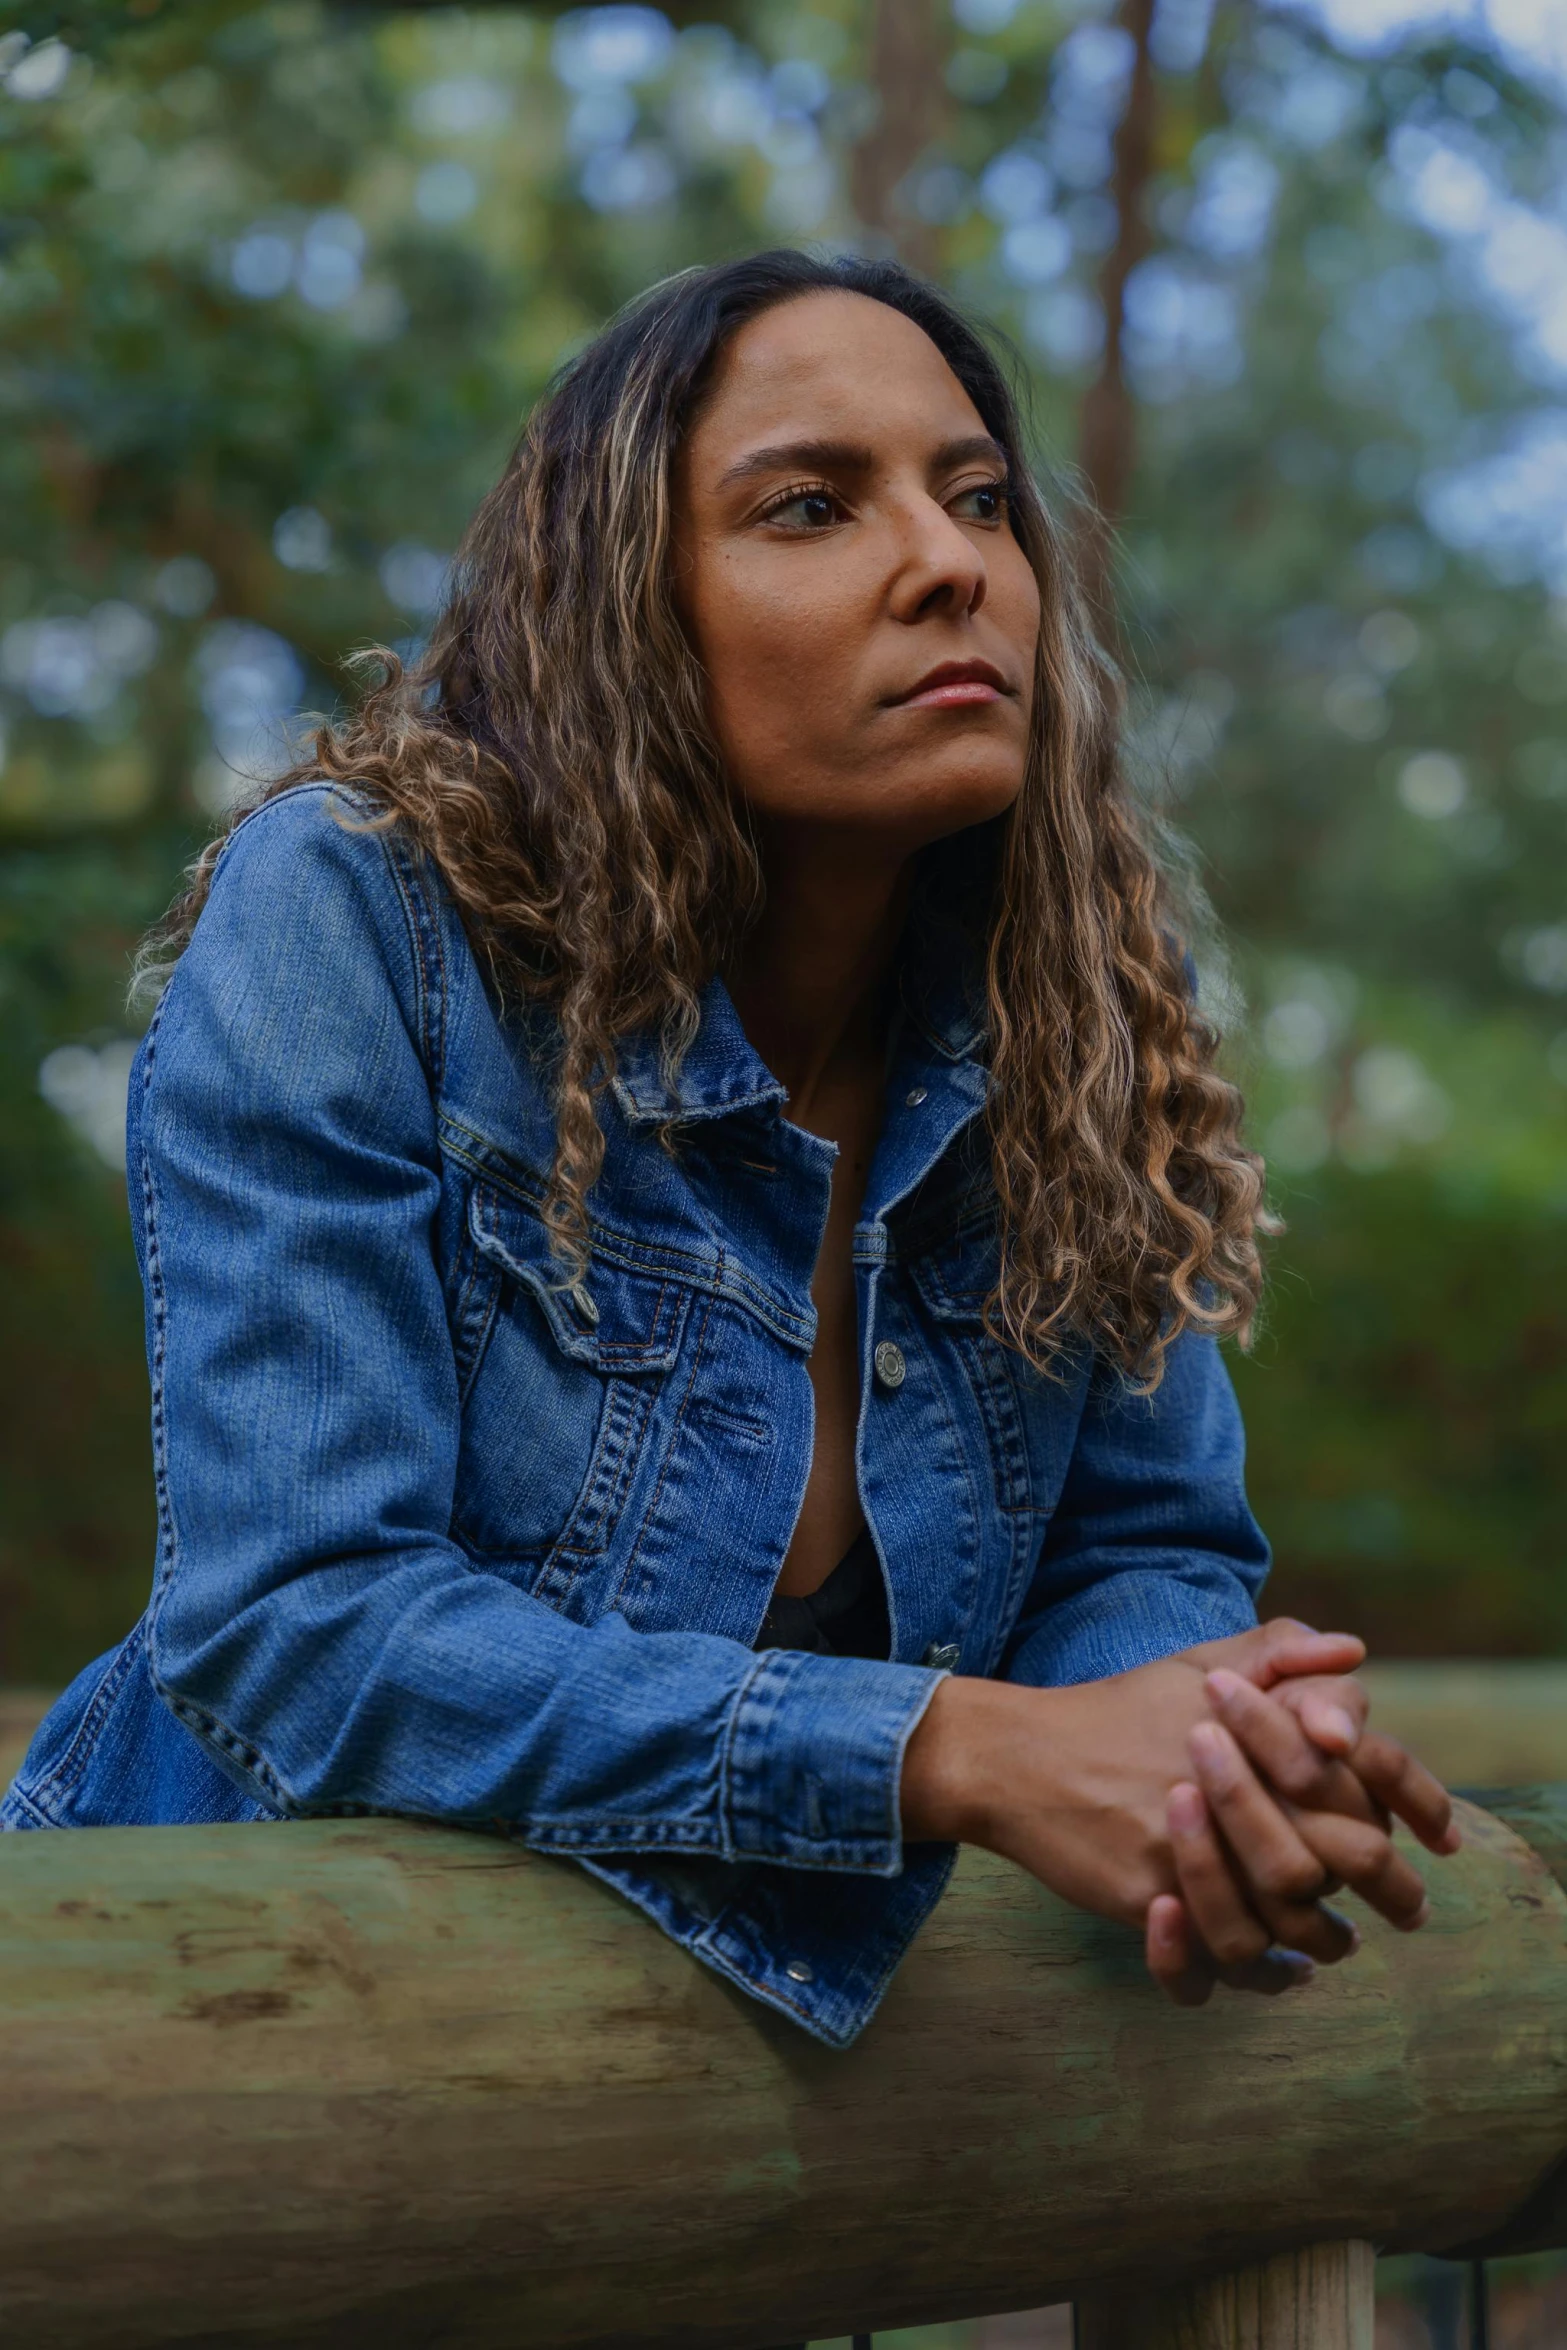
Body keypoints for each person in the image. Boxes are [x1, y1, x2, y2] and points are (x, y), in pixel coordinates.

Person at [2, 251, 1456, 2046]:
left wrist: (1209, 1762)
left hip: (681, 2150)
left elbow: (1136, 1543)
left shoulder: (1062, 1024)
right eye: (810, 506)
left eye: (977, 495)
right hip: (196, 2054)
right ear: (627, 614)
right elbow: (302, 1622)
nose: (948, 562)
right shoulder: (361, 920)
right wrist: (956, 1751)